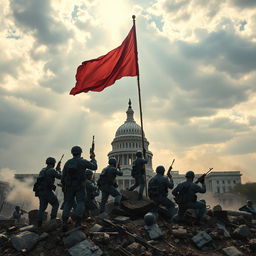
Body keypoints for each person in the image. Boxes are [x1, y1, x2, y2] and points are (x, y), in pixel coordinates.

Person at [61, 146, 97, 229]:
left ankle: (64, 223)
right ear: (80, 153)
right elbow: (94, 167)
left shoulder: (68, 162)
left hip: (69, 186)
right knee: (80, 202)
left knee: (68, 203)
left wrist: (64, 185)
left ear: (72, 153)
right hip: (80, 186)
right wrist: (93, 158)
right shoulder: (82, 161)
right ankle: (78, 223)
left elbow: (63, 176)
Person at [35, 157, 61, 227]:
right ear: (53, 163)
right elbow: (60, 176)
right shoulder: (52, 170)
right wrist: (59, 170)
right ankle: (53, 219)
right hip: (47, 191)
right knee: (55, 204)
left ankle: (39, 223)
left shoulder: (42, 170)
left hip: (40, 191)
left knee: (42, 208)